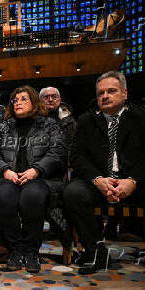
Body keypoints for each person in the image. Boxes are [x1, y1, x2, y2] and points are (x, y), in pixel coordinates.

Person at [63, 71, 145, 275]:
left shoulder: (141, 117)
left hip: (135, 180)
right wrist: (98, 179)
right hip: (98, 180)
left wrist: (133, 180)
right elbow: (77, 157)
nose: (105, 96)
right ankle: (96, 251)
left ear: (125, 93)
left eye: (111, 91)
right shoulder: (86, 120)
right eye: (101, 93)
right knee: (72, 193)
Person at [0, 85, 66, 273]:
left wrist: (36, 170)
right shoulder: (2, 126)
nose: (18, 103)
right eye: (15, 100)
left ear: (34, 102)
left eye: (23, 99)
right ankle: (16, 249)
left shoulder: (48, 124)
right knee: (2, 196)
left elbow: (58, 151)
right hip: (10, 176)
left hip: (39, 178)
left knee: (32, 196)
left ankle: (31, 251)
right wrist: (5, 170)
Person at [39, 87, 76, 152]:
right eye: (46, 97)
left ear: (59, 100)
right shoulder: (34, 118)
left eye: (54, 97)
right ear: (40, 101)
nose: (50, 99)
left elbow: (74, 142)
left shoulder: (68, 119)